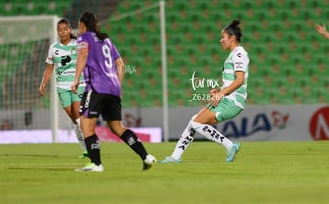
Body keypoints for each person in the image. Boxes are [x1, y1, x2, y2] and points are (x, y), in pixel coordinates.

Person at [71, 11, 156, 172]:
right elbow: (121, 65)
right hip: (113, 88)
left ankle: (96, 164)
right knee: (117, 127)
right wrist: (117, 85)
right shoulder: (106, 40)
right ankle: (146, 157)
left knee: (86, 126)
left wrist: (76, 79)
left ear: (82, 25)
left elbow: (82, 55)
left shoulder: (84, 38)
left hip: (96, 87)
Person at [160, 20, 249, 163]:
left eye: (223, 37)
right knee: (194, 121)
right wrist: (220, 90)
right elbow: (232, 80)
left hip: (232, 101)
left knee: (196, 123)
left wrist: (222, 93)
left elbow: (240, 80)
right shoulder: (234, 55)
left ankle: (230, 145)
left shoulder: (239, 54)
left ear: (232, 38)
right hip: (227, 98)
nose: (221, 40)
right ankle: (175, 157)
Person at [39, 18, 88, 159]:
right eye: (59, 30)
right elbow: (49, 68)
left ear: (69, 29)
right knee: (73, 119)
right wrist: (42, 84)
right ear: (57, 32)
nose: (62, 32)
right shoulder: (53, 48)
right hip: (61, 87)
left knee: (78, 117)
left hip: (78, 84)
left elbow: (85, 59)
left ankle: (91, 145)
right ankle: (84, 149)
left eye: (65, 29)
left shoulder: (77, 44)